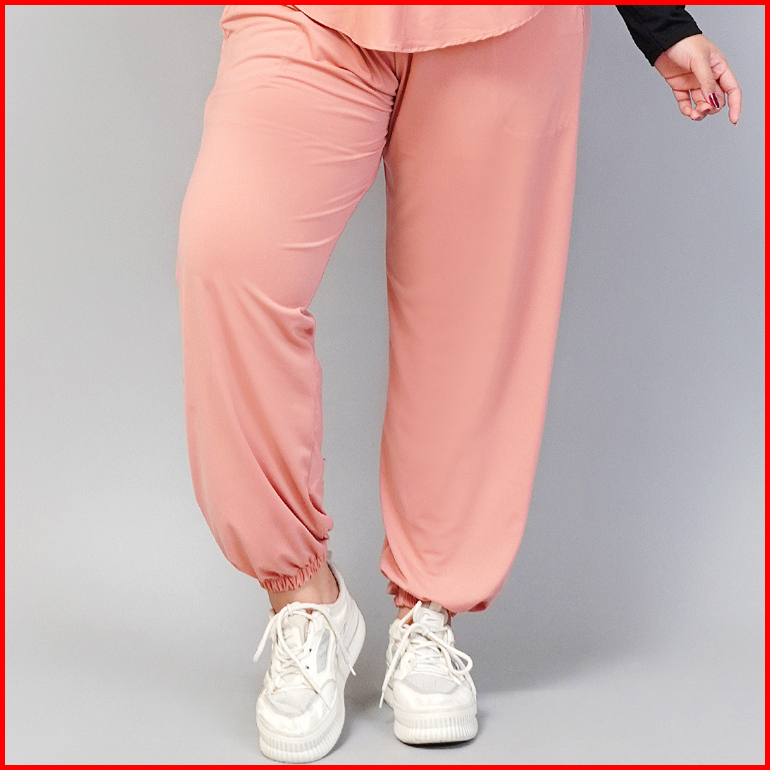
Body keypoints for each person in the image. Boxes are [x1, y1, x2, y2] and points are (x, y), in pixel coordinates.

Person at [175, 4, 741, 763]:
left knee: (470, 317)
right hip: (307, 17)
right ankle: (303, 598)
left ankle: (428, 612)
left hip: (507, 23)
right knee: (229, 260)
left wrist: (661, 24)